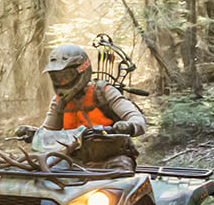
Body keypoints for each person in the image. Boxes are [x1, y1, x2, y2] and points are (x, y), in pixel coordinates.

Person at [16, 43, 146, 171]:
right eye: (57, 78)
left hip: (113, 158)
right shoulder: (59, 102)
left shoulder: (104, 92)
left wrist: (126, 126)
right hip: (75, 160)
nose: (62, 82)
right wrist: (34, 134)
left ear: (82, 70)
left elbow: (137, 119)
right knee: (44, 176)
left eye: (66, 76)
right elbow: (48, 132)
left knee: (120, 177)